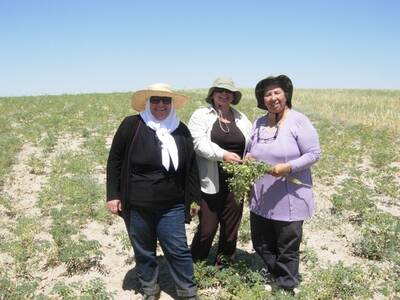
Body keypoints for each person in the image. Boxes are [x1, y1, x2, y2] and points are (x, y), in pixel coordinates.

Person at [106, 83, 200, 300]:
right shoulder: (132, 125)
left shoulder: (180, 129)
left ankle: (188, 292)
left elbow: (192, 168)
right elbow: (115, 161)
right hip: (137, 204)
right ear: (148, 103)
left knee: (178, 250)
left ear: (172, 104)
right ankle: (150, 289)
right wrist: (113, 195)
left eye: (165, 101)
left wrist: (195, 199)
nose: (160, 105)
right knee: (144, 251)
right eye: (155, 100)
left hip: (172, 205)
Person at [246, 74, 321, 292]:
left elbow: (314, 154)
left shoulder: (298, 120)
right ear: (262, 99)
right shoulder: (259, 123)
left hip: (289, 194)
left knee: (287, 244)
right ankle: (276, 274)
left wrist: (287, 167)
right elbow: (251, 150)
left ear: (286, 95)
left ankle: (287, 285)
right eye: (267, 94)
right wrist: (249, 158)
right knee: (261, 242)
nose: (272, 97)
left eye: (277, 92)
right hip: (262, 194)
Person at [188, 76, 252, 266]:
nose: (224, 94)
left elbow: (251, 143)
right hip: (209, 180)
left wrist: (250, 155)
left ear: (233, 96)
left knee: (231, 226)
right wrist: (222, 155)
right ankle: (195, 263)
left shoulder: (241, 118)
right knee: (207, 228)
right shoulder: (201, 115)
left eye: (228, 92)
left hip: (236, 182)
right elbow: (197, 142)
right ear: (213, 94)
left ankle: (224, 263)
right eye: (220, 91)